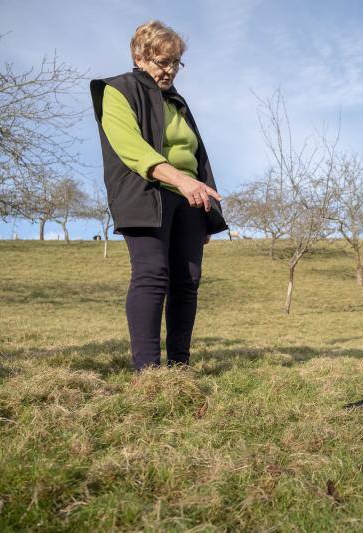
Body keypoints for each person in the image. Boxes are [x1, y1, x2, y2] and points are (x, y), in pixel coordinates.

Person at [89, 21, 227, 370]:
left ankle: (179, 367)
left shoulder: (177, 102)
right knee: (152, 275)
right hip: (146, 192)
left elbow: (196, 154)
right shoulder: (116, 90)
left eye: (175, 62)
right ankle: (148, 373)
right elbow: (131, 147)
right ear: (139, 57)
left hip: (190, 199)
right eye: (162, 62)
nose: (169, 71)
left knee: (188, 281)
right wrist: (180, 180)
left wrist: (205, 211)